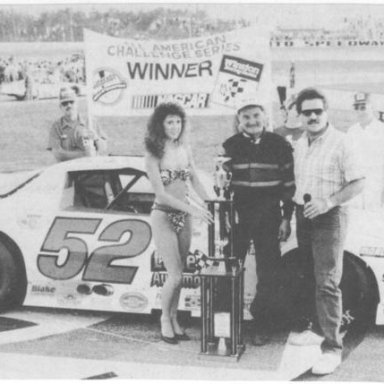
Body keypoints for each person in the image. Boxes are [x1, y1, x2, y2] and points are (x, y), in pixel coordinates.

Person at [289, 88, 365, 375]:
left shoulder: (342, 142)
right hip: (303, 214)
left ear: (326, 112)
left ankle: (332, 348)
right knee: (308, 275)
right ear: (300, 115)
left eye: (317, 111)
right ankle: (315, 329)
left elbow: (358, 182)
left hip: (330, 216)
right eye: (306, 112)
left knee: (328, 283)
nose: (312, 116)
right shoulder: (299, 143)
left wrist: (328, 202)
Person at [222, 101, 295, 346]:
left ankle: (262, 323)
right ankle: (228, 323)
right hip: (239, 216)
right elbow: (223, 186)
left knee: (268, 272)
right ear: (239, 120)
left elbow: (288, 185)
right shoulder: (230, 145)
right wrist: (226, 215)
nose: (251, 121)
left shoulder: (279, 144)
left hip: (269, 216)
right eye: (246, 117)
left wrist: (286, 217)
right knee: (231, 268)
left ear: (264, 117)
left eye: (256, 116)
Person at [144, 102, 213, 344]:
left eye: (178, 121)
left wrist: (211, 202)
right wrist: (193, 208)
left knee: (182, 274)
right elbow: (162, 195)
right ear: (160, 125)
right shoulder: (153, 153)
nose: (174, 126)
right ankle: (164, 318)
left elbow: (194, 179)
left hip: (184, 216)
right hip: (163, 214)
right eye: (169, 122)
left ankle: (174, 318)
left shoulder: (185, 148)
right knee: (173, 274)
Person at [48, 86, 108, 162]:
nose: (69, 105)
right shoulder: (56, 126)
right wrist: (84, 155)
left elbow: (103, 148)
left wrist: (96, 138)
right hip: (67, 169)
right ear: (60, 106)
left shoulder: (90, 122)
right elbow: (58, 154)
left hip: (90, 167)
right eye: (65, 103)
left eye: (71, 102)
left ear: (77, 103)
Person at [347, 92, 384, 210]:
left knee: (374, 217)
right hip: (355, 181)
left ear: (372, 107)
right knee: (355, 217)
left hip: (375, 182)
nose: (360, 111)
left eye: (363, 107)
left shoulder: (381, 130)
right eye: (356, 108)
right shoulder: (352, 131)